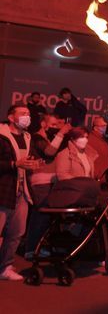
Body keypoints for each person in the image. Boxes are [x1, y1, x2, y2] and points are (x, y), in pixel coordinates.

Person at [0, 105, 44, 281]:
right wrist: (13, 164)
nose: (27, 117)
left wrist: (35, 164)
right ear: (11, 117)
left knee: (16, 233)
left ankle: (5, 267)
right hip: (4, 191)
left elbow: (31, 158)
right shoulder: (1, 136)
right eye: (23, 114)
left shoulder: (27, 137)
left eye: (28, 114)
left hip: (22, 191)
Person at [24, 115, 69, 256]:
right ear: (43, 124)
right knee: (40, 215)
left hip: (51, 182)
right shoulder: (37, 138)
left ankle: (41, 246)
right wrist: (61, 133)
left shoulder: (51, 138)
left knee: (48, 217)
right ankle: (30, 249)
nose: (56, 127)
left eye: (58, 124)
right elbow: (49, 152)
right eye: (53, 124)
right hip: (40, 182)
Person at [87, 115, 108, 182]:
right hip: (96, 179)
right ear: (95, 128)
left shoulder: (102, 140)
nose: (106, 128)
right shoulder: (91, 141)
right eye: (103, 126)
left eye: (106, 126)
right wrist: (97, 176)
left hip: (102, 178)